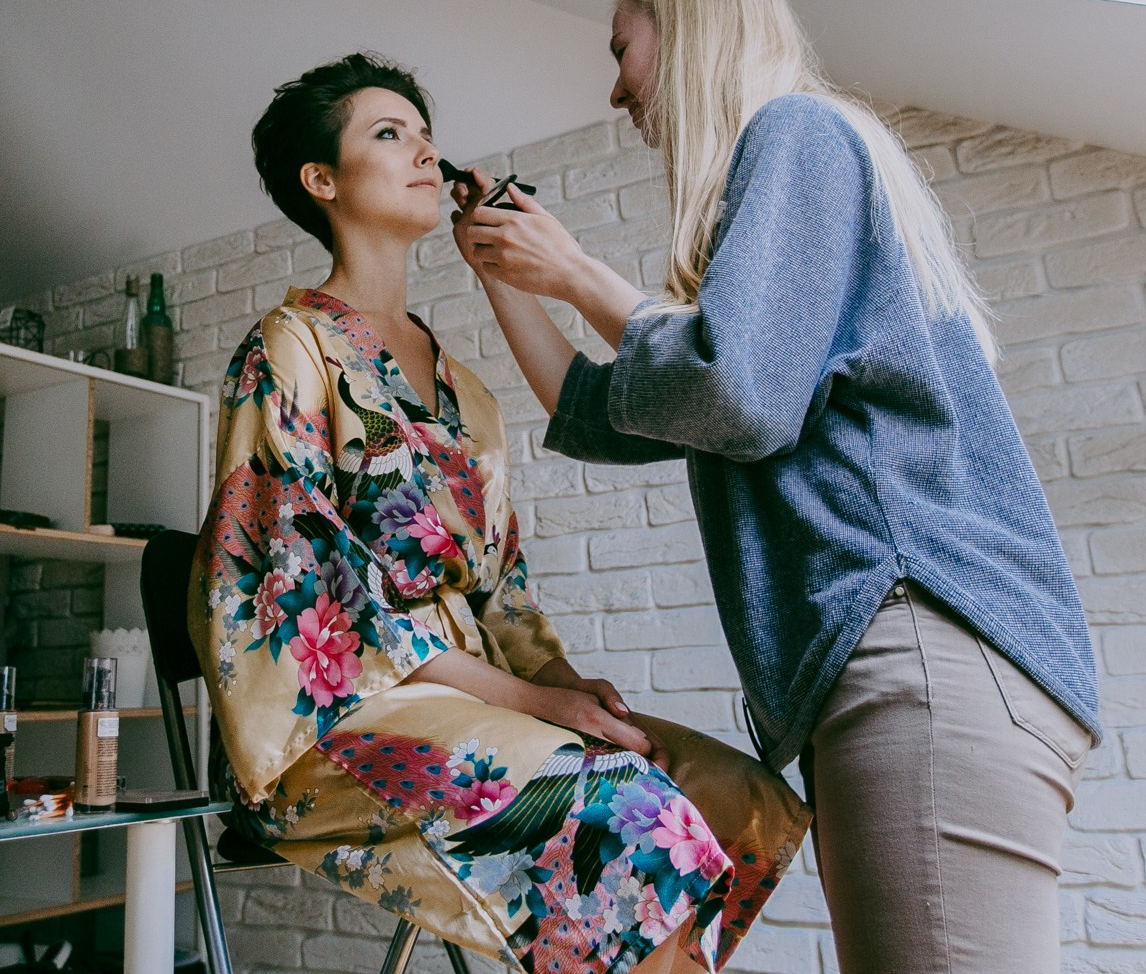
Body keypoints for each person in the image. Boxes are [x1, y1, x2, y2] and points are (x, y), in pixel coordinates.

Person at [450, 0, 1102, 973]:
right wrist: (506, 276)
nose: (614, 87)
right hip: (898, 675)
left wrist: (574, 271)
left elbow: (736, 388)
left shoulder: (799, 134)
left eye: (621, 46)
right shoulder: (779, 228)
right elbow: (601, 405)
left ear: (690, 28)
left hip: (920, 657)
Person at [188, 53, 806, 974]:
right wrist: (532, 699)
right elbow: (302, 587)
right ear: (321, 181)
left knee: (735, 795)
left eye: (427, 134)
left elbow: (500, 587)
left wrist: (569, 681)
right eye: (388, 133)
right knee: (626, 811)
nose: (424, 151)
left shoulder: (464, 391)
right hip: (339, 722)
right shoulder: (292, 346)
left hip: (475, 702)